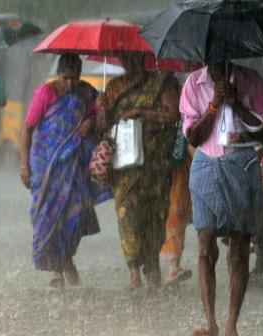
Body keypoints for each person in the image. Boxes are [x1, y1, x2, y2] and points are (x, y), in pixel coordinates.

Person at [180, 60, 263, 336]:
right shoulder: (193, 84)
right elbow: (194, 137)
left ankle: (231, 326)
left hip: (241, 167)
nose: (218, 55)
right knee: (205, 247)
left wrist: (238, 105)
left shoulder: (251, 81)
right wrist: (215, 105)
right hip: (207, 166)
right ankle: (211, 323)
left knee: (239, 251)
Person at [100, 52, 180, 291]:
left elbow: (172, 115)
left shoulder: (163, 83)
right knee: (127, 212)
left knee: (155, 217)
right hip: (125, 165)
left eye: (136, 57)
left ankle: (152, 265)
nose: (130, 61)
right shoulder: (113, 88)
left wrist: (142, 114)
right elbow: (103, 127)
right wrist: (101, 109)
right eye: (126, 57)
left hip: (155, 166)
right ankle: (134, 271)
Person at [20, 53, 100, 288]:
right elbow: (27, 129)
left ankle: (66, 257)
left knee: (75, 214)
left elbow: (102, 118)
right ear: (58, 74)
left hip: (74, 166)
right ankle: (56, 270)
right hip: (45, 167)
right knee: (47, 215)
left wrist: (92, 121)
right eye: (66, 78)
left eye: (75, 78)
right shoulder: (45, 93)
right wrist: (24, 164)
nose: (70, 84)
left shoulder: (86, 93)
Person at [160, 151, 193, 286]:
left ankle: (173, 267)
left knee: (176, 213)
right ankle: (168, 268)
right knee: (174, 213)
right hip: (166, 161)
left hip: (176, 162)